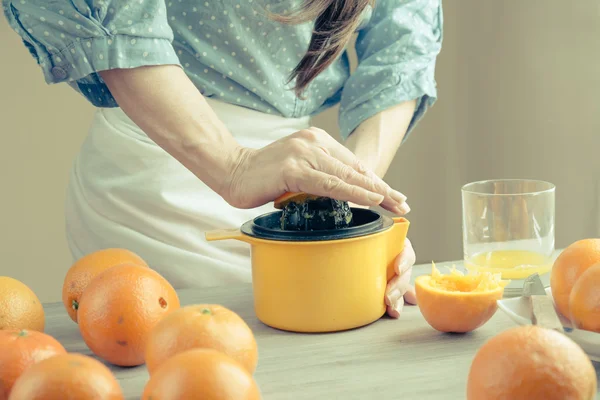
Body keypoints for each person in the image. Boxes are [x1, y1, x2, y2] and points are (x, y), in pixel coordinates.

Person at [3, 0, 443, 318]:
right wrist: (232, 166)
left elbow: (402, 38)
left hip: (292, 173)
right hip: (152, 184)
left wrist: (346, 208)